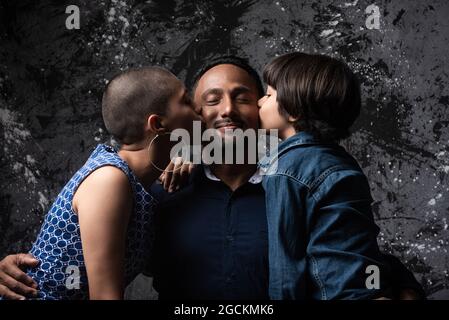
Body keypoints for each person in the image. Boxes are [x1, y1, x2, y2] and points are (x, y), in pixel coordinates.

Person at [0, 56, 424, 300]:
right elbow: (93, 250)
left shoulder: (296, 181)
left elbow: (343, 250)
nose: (226, 109)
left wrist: (400, 286)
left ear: (266, 109)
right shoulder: (159, 193)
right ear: (193, 118)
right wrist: (16, 272)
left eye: (243, 96)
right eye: (208, 100)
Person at [0, 66, 200, 299]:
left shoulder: (143, 187)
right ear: (158, 124)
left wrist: (189, 156)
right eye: (186, 101)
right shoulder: (109, 179)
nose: (197, 107)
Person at [257, 52, 397, 299]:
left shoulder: (286, 169)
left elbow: (285, 267)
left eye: (268, 95)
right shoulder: (342, 161)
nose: (259, 101)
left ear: (292, 110)